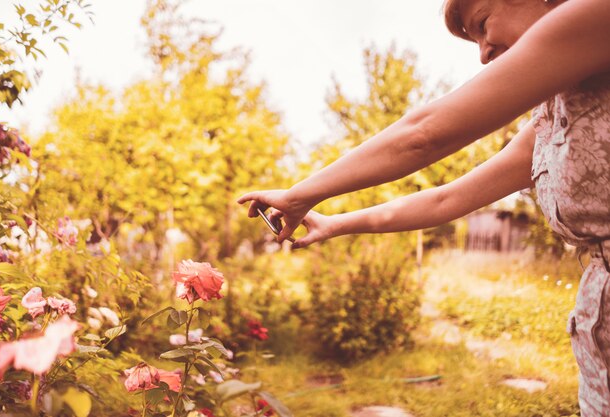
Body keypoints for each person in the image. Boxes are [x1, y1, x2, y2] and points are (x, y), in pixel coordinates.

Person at [238, 0, 610, 414]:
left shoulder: (598, 14)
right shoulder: (553, 117)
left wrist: (301, 192)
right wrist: (336, 223)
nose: (484, 53)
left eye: (483, 25)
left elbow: (424, 134)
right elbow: (446, 198)